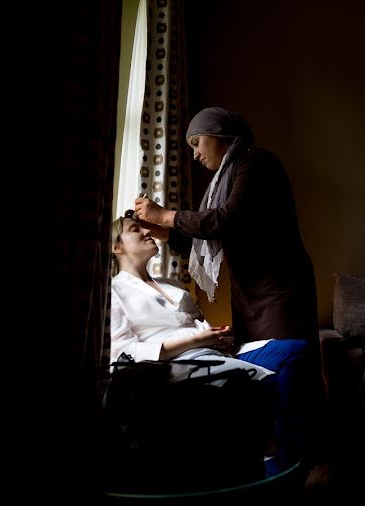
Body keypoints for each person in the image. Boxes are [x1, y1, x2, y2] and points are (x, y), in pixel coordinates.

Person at [131, 107, 325, 469]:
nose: (195, 153)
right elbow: (213, 241)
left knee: (289, 368)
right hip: (250, 289)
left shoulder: (256, 163)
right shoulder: (224, 178)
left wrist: (166, 216)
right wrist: (168, 233)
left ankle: (307, 457)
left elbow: (229, 221)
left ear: (220, 135)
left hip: (279, 287)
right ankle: (274, 455)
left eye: (197, 142)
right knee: (263, 378)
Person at [110, 210, 318, 474]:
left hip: (214, 349)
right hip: (178, 361)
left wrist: (219, 335)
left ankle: (290, 459)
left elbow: (198, 322)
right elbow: (124, 352)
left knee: (296, 352)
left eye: (144, 228)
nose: (147, 231)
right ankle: (285, 466)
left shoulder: (170, 284)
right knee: (269, 385)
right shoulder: (115, 292)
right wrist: (194, 341)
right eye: (134, 230)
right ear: (117, 247)